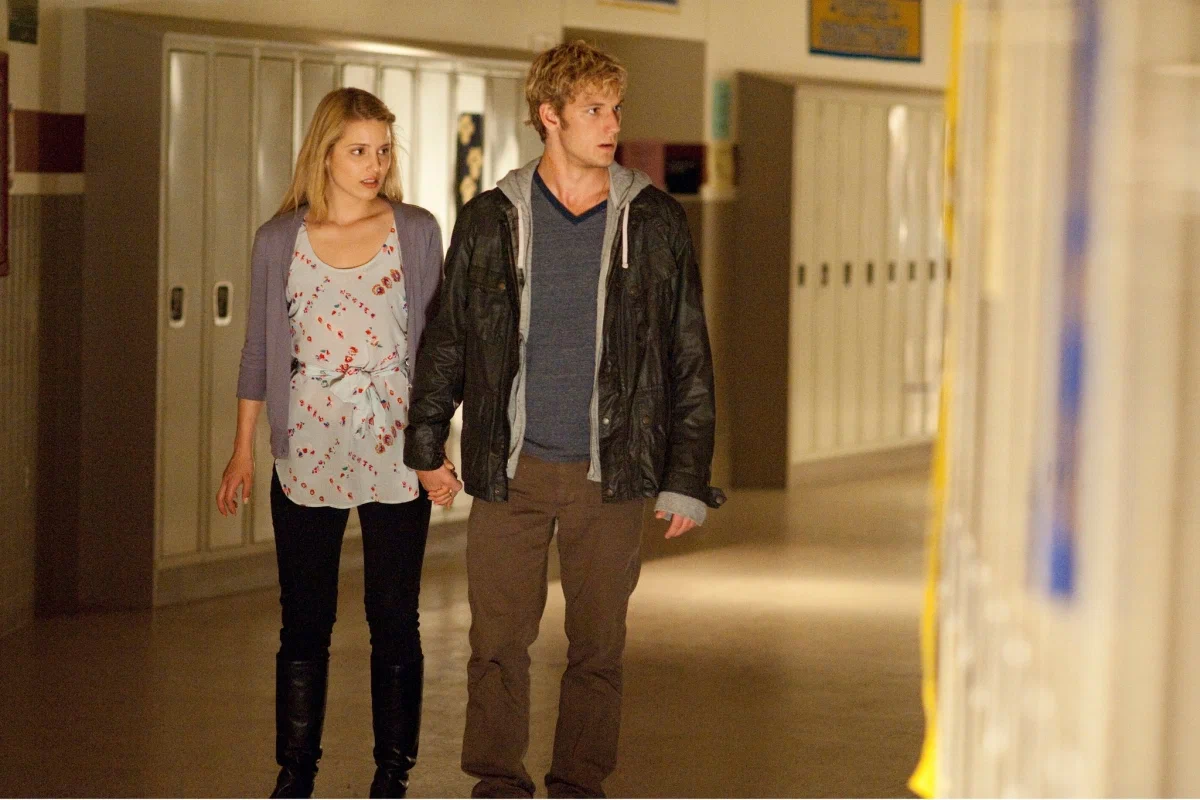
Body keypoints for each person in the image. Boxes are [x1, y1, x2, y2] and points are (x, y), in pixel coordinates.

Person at [403, 41, 724, 799]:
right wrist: (426, 442)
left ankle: (579, 783)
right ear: (550, 116)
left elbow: (687, 350)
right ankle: (496, 781)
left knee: (598, 647)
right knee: (495, 643)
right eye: (594, 110)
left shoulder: (654, 221)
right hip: (510, 470)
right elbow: (450, 337)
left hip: (609, 473)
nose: (612, 125)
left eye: (616, 109)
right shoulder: (491, 219)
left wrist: (685, 476)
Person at [215, 87, 451, 799]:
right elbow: (259, 350)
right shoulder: (277, 239)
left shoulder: (415, 230)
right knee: (304, 621)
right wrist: (243, 448)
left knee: (394, 617)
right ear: (324, 155)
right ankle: (295, 775)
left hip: (396, 447)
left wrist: (436, 449)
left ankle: (392, 777)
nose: (374, 164)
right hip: (307, 446)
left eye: (383, 150)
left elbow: (438, 351)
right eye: (358, 150)